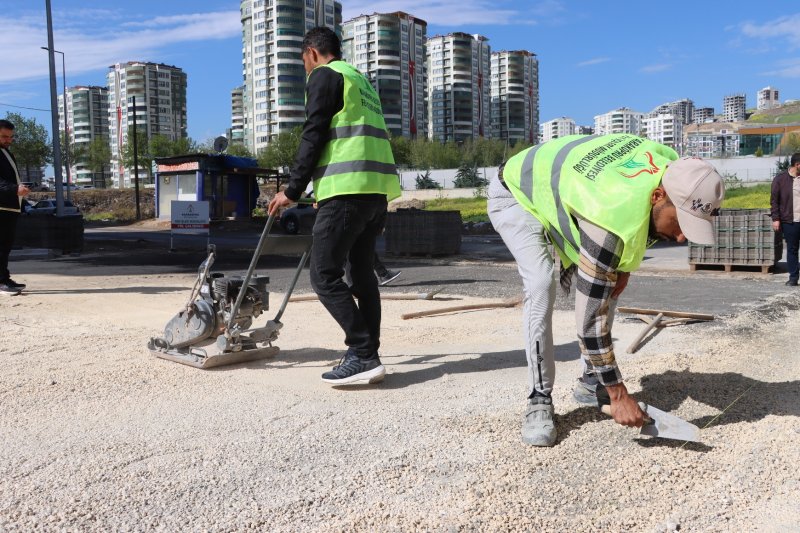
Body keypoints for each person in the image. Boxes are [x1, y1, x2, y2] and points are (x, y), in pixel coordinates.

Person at [488, 133, 725, 446]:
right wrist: (618, 393)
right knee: (541, 282)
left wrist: (620, 268)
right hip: (516, 190)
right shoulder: (609, 218)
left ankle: (590, 380)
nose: (682, 238)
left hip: (565, 185)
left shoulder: (675, 169)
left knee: (609, 279)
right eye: (680, 223)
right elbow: (588, 322)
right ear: (657, 196)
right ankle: (539, 400)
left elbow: (618, 256)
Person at [268, 27, 401, 385]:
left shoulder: (325, 76)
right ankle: (368, 354)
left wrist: (292, 191)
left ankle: (362, 352)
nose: (305, 69)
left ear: (311, 53)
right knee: (360, 275)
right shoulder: (360, 80)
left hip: (347, 192)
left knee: (323, 274)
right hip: (374, 194)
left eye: (303, 62)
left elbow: (314, 133)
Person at [0, 119, 29, 296]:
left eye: (10, 137)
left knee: (5, 246)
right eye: (4, 136)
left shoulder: (5, 153)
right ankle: (1, 281)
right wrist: (15, 189)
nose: (8, 140)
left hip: (9, 207)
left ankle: (4, 277)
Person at [770, 153, 800, 286]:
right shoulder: (780, 180)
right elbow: (774, 201)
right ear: (797, 165)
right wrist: (776, 218)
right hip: (790, 221)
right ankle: (793, 278)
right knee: (792, 249)